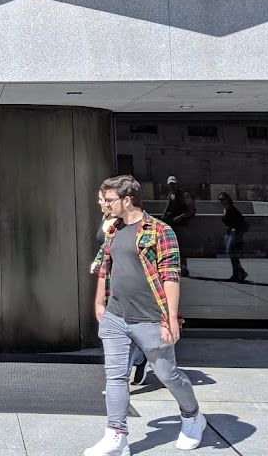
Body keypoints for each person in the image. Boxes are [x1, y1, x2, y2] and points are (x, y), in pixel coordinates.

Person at [85, 175, 206, 456]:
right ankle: (117, 436)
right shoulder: (113, 229)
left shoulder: (160, 231)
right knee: (115, 376)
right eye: (102, 200)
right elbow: (104, 265)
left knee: (168, 374)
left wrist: (171, 318)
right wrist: (100, 303)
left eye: (109, 200)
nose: (103, 205)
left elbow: (171, 275)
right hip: (116, 315)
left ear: (128, 200)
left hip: (150, 318)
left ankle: (192, 417)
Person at [90, 192, 147, 385]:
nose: (100, 202)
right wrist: (98, 261)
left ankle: (123, 373)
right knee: (114, 328)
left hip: (128, 277)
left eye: (104, 199)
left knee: (127, 327)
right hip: (109, 277)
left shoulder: (127, 221)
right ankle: (133, 363)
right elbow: (107, 246)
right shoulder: (108, 219)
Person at [162, 176, 195, 277]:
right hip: (172, 223)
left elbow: (191, 210)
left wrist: (181, 217)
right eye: (170, 184)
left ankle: (184, 267)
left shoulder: (184, 195)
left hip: (181, 224)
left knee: (182, 246)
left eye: (173, 184)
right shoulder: (171, 195)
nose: (172, 186)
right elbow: (168, 209)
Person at [218, 192, 248, 282]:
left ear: (227, 199)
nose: (221, 202)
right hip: (228, 234)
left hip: (234, 234)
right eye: (220, 200)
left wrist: (235, 228)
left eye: (223, 199)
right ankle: (237, 273)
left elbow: (240, 221)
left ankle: (239, 272)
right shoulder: (225, 209)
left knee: (232, 253)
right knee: (232, 254)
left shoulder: (232, 209)